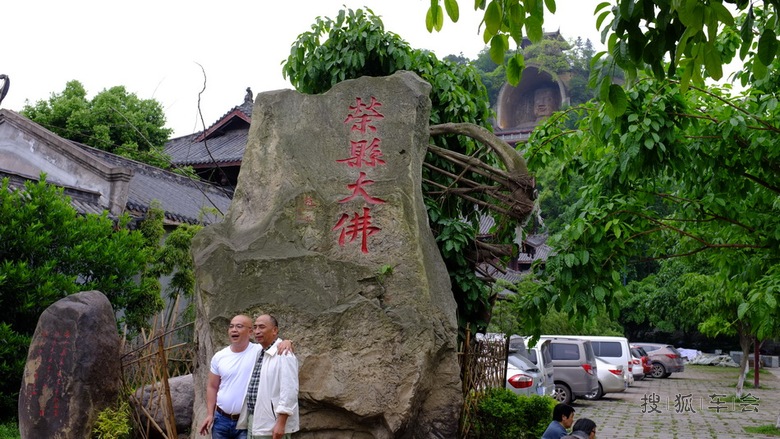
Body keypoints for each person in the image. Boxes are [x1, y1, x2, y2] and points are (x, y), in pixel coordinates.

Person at [199, 315, 293, 438]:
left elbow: (275, 345)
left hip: (245, 421)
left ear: (250, 332)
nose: (234, 330)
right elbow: (212, 386)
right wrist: (210, 414)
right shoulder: (219, 356)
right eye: (231, 326)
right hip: (221, 419)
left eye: (239, 326)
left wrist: (288, 342)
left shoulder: (259, 351)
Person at [239, 314, 299, 439]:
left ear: (275, 330)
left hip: (272, 423)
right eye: (255, 328)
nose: (257, 331)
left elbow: (289, 391)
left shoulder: (284, 354)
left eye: (261, 327)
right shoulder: (258, 351)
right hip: (255, 420)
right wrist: (289, 341)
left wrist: (281, 423)